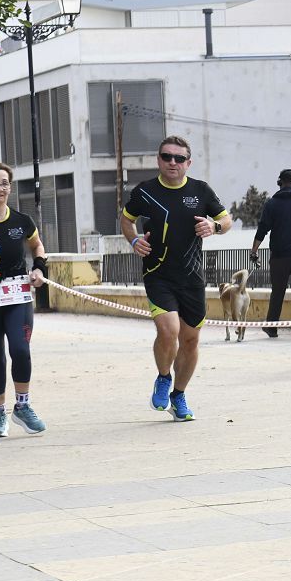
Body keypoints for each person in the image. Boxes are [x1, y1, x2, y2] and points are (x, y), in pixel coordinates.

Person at [120, 136, 232, 422]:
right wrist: (133, 241)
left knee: (191, 341)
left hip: (192, 277)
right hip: (158, 273)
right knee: (168, 329)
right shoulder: (145, 191)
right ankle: (162, 376)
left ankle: (178, 395)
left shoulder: (201, 190)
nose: (173, 162)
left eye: (179, 158)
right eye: (167, 157)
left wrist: (214, 225)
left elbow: (226, 220)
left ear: (188, 162)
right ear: (158, 160)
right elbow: (126, 219)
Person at [0, 163, 48, 437]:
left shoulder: (22, 221)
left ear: (10, 188)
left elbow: (36, 245)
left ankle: (23, 407)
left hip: (17, 296)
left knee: (21, 349)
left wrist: (38, 268)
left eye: (4, 183)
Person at [249, 168, 291, 340]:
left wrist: (254, 251)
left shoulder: (272, 204)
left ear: (280, 182)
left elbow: (262, 229)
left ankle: (272, 327)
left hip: (279, 256)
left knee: (277, 291)